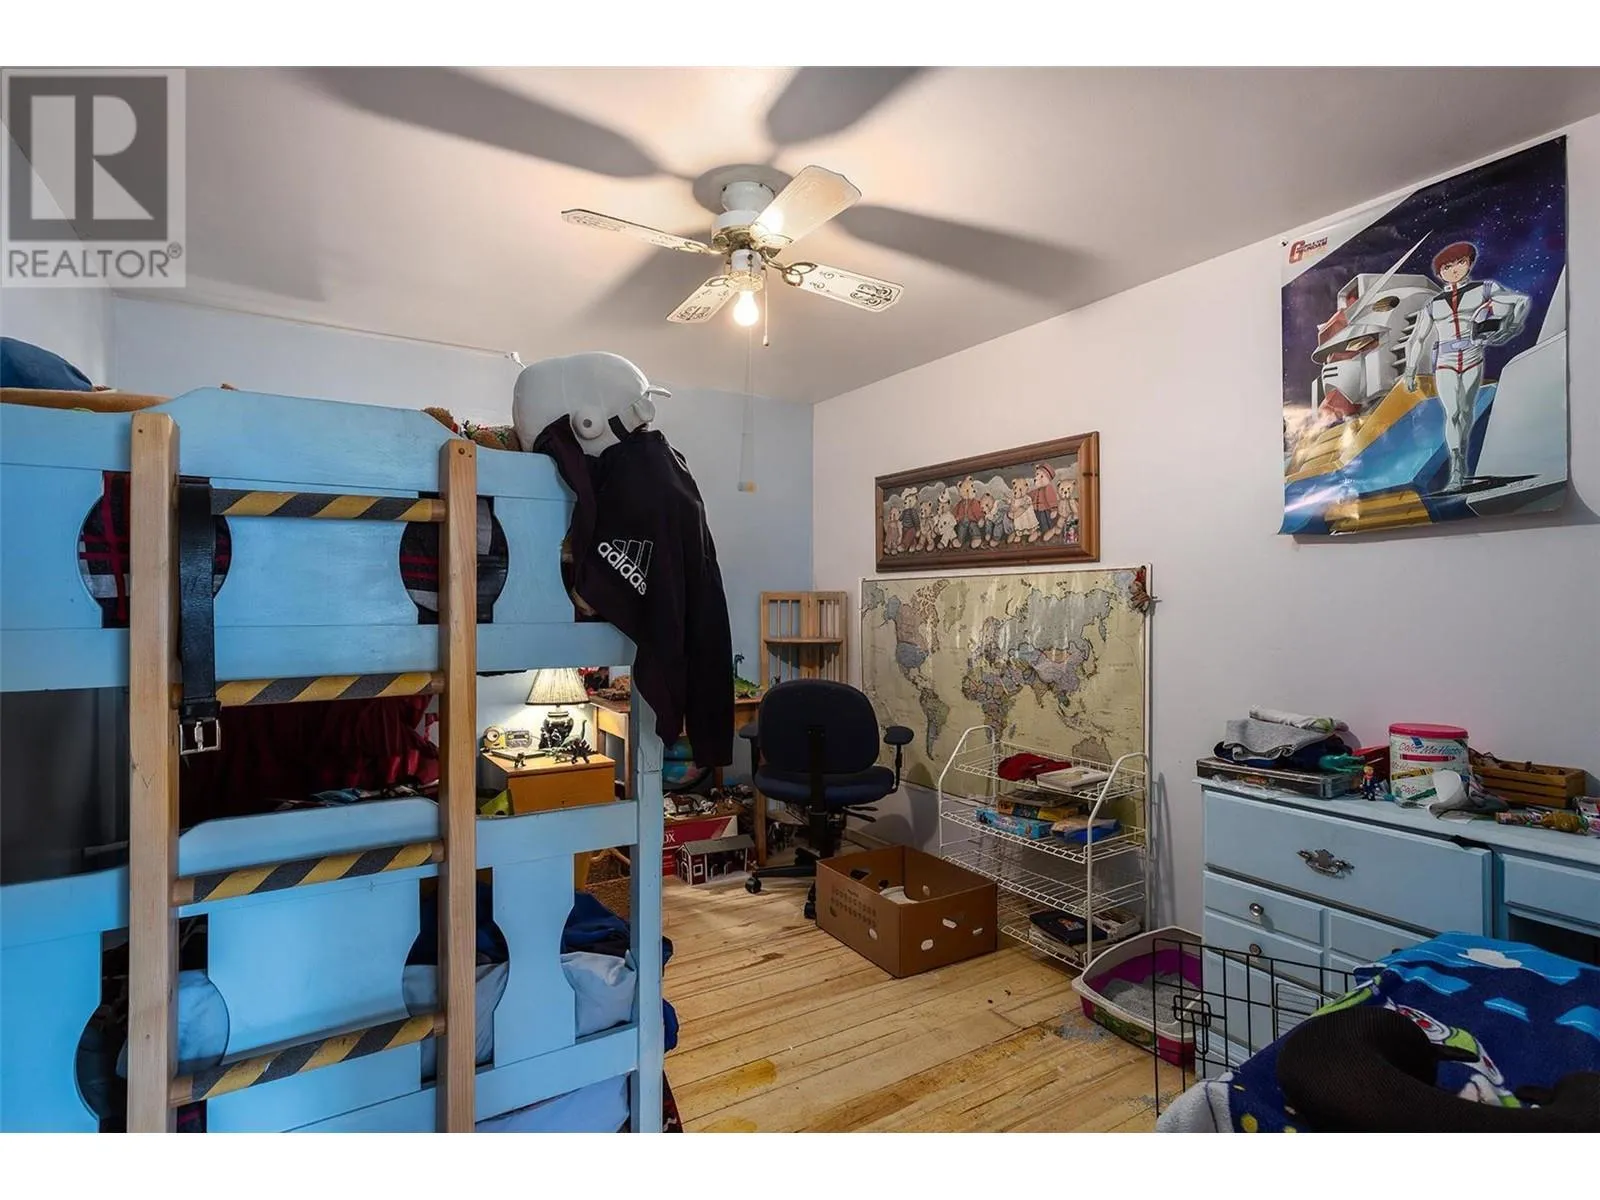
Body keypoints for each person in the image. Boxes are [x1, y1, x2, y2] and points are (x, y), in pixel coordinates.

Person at [1402, 242, 1530, 493]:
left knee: (1465, 412)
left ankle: (1461, 464)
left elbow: (1520, 302)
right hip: (1446, 361)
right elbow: (1416, 339)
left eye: (1460, 262)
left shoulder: (1485, 289)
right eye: (1447, 266)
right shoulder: (1433, 304)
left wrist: (1509, 329)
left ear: (1469, 263)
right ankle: (1457, 470)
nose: (1454, 269)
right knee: (1453, 413)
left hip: (1473, 356)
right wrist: (1410, 370)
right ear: (1440, 272)